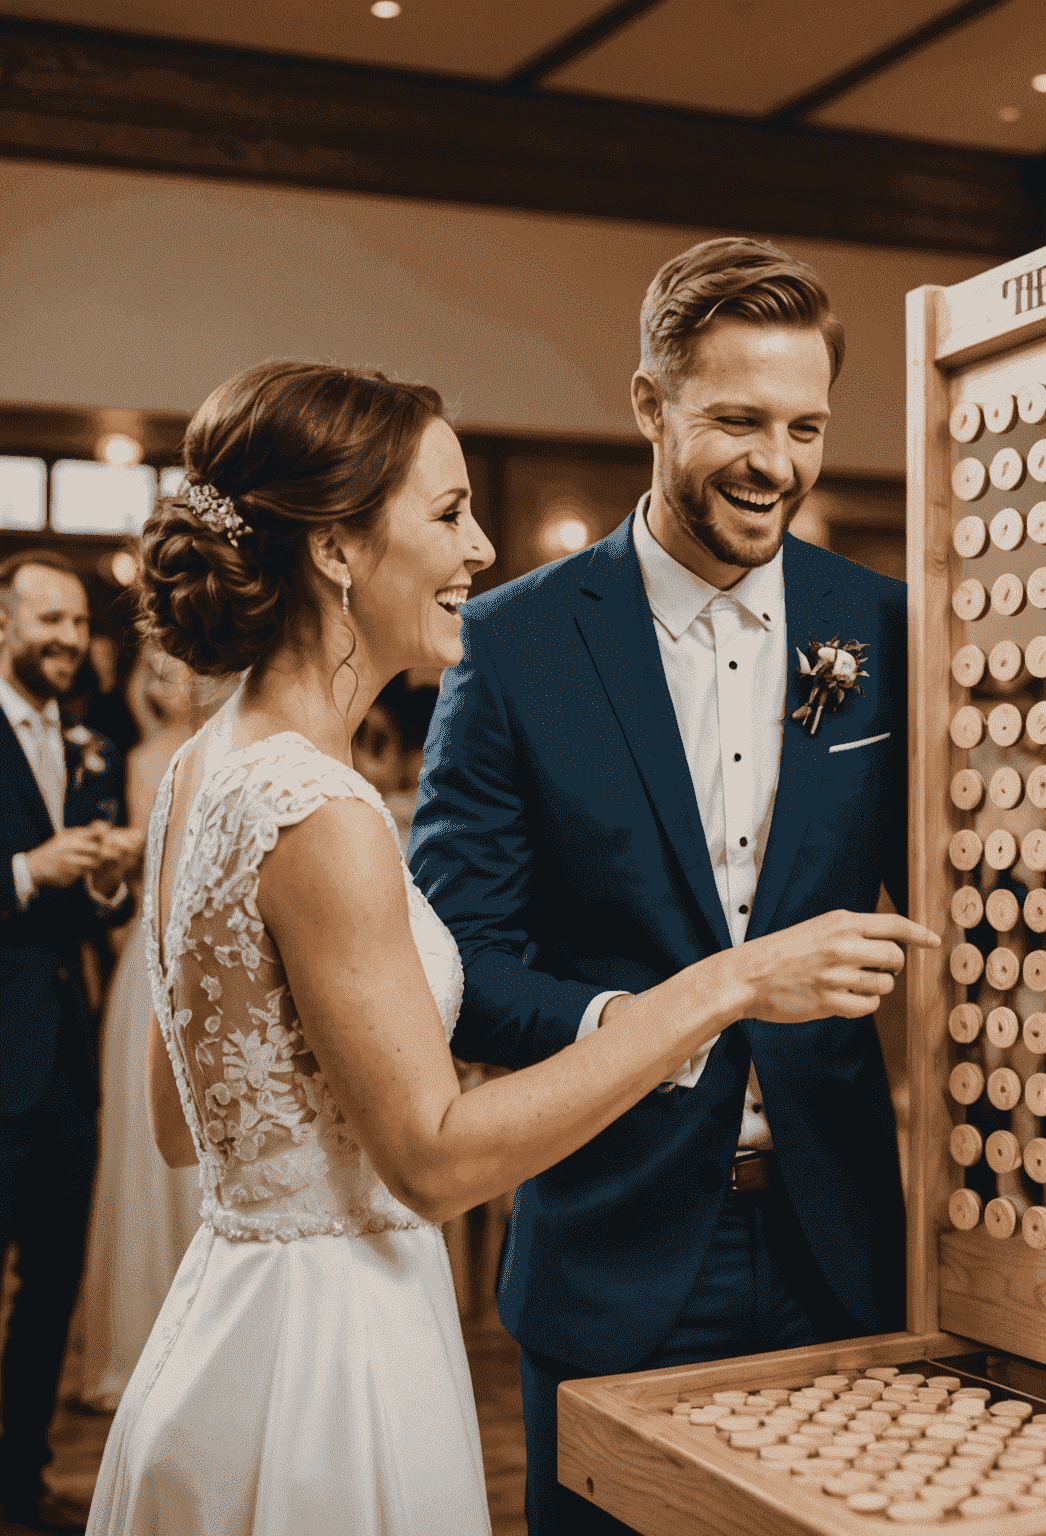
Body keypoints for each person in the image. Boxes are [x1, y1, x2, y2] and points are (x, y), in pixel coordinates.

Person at [86, 359, 933, 1536]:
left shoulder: (199, 771)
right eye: (446, 514)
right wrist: (730, 983)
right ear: (335, 549)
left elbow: (185, 1121)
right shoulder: (324, 815)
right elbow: (432, 1164)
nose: (482, 549)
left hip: (233, 1321)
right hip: (339, 1359)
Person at [409, 237, 922, 1535]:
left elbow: (955, 886)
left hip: (840, 1242)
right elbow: (461, 965)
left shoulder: (886, 626)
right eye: (737, 419)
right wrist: (657, 1022)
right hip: (617, 1241)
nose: (777, 462)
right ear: (650, 404)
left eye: (805, 425)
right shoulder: (515, 640)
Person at [0, 549, 141, 1535]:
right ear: (3, 623)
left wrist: (103, 878)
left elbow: (94, 912)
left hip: (65, 1064)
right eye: (45, 619)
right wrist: (27, 869)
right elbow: (31, 875)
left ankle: (19, 1479)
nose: (64, 639)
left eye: (77, 623)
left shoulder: (88, 738)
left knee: (52, 1283)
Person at [76, 647, 204, 1413]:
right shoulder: (145, 757)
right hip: (154, 965)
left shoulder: (220, 747)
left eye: (178, 666)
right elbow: (151, 875)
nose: (170, 682)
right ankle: (146, 1340)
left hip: (187, 954)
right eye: (155, 669)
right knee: (146, 1153)